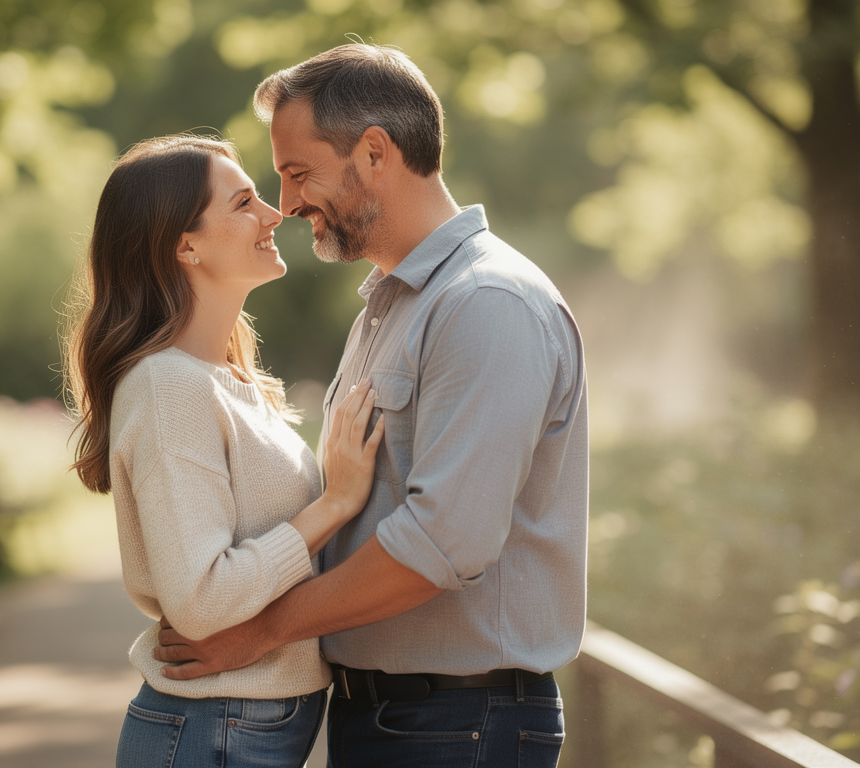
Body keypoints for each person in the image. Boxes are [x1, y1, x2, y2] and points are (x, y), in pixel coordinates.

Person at [153, 44, 589, 768]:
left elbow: (443, 541)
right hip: (403, 717)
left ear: (375, 152)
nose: (286, 204)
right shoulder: (394, 308)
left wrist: (259, 631)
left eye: (297, 173)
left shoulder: (485, 303)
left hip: (458, 721)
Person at [63, 134, 387, 768]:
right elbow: (202, 600)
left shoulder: (231, 379)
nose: (275, 214)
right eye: (244, 203)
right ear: (184, 245)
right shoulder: (168, 386)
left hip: (241, 728)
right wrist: (336, 503)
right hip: (214, 728)